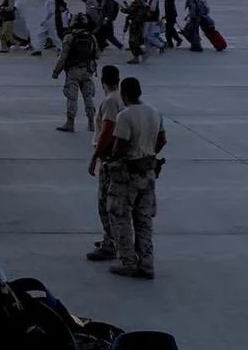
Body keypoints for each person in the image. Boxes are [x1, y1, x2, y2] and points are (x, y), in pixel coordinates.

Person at [104, 77, 166, 279]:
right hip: (148, 172)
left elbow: (120, 146)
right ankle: (147, 262)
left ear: (124, 93)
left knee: (120, 217)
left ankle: (128, 261)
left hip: (128, 174)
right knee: (144, 219)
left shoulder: (125, 116)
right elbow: (162, 140)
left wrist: (112, 159)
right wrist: (148, 152)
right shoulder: (155, 112)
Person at [86, 65, 123, 262]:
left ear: (103, 82)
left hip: (109, 157)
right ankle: (114, 239)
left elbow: (108, 130)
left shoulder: (110, 101)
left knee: (105, 204)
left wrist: (96, 157)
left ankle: (110, 244)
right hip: (118, 156)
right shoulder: (121, 98)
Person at [53, 14, 99, 132]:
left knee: (72, 97)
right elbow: (97, 55)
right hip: (87, 70)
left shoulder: (69, 37)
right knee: (88, 96)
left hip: (73, 71)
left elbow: (63, 57)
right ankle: (91, 123)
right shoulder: (91, 37)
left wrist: (56, 71)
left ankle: (70, 123)